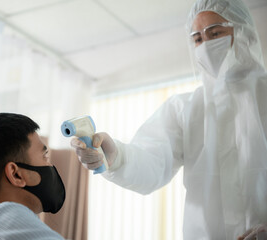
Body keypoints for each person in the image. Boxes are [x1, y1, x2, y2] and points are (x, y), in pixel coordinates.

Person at [71, 0, 267, 239]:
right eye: (197, 39)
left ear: (243, 32)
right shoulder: (185, 109)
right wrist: (116, 157)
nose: (205, 45)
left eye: (215, 33)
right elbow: (152, 161)